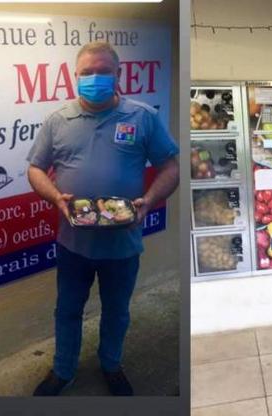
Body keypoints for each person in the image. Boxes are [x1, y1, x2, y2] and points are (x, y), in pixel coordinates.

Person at [26, 41, 179, 396]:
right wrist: (54, 196)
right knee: (67, 311)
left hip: (122, 243)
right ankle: (63, 370)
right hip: (73, 242)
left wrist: (149, 200)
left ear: (118, 74)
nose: (94, 78)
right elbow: (35, 169)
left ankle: (111, 364)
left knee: (116, 311)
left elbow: (170, 167)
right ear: (74, 77)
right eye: (86, 73)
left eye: (103, 71)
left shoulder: (141, 117)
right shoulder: (58, 120)